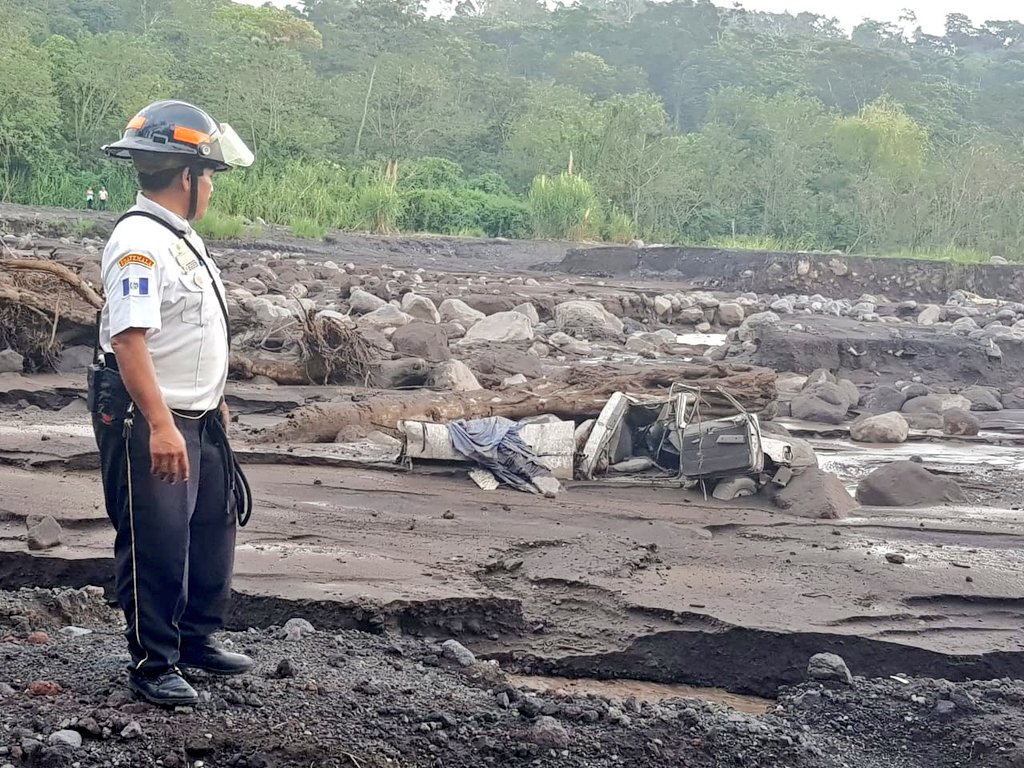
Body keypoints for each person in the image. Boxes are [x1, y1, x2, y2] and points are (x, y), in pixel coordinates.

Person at [89, 99, 255, 707]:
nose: (210, 185)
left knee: (212, 524)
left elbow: (192, 330)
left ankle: (195, 639)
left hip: (198, 415)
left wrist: (213, 401)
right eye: (207, 175)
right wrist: (160, 424)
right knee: (156, 535)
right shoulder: (138, 242)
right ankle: (153, 662)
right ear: (186, 177)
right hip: (150, 416)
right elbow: (129, 340)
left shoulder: (178, 238)